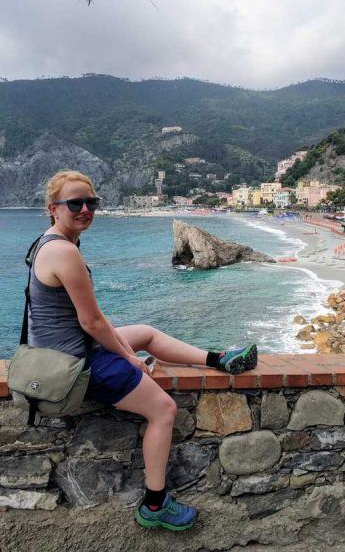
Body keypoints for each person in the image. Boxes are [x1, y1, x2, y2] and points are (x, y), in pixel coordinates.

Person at [27, 170, 258, 531]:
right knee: (163, 409)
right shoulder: (63, 252)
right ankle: (154, 504)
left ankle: (218, 359)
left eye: (92, 202)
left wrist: (124, 348)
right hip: (75, 364)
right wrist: (127, 358)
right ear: (52, 208)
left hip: (67, 348)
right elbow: (92, 323)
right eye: (75, 203)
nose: (86, 209)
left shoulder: (47, 242)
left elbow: (91, 321)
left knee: (146, 333)